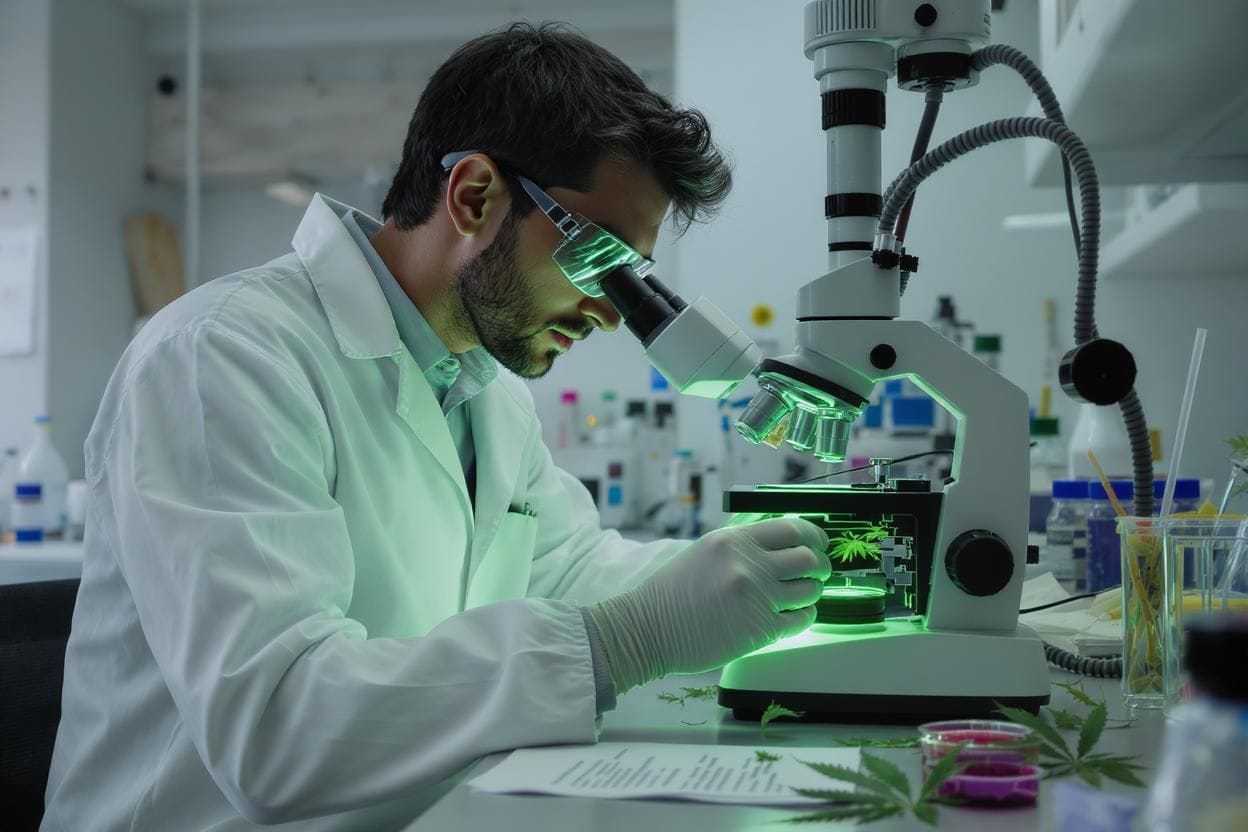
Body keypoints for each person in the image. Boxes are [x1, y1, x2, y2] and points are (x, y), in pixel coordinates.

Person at [42, 23, 830, 831]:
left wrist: (762, 579)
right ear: (475, 195)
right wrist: (628, 641)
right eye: (599, 261)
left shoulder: (482, 385)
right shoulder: (222, 358)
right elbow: (274, 726)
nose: (607, 311)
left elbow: (565, 568)